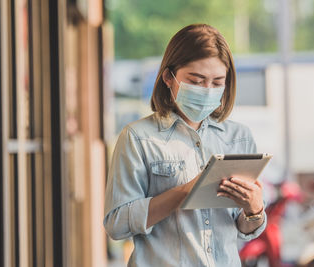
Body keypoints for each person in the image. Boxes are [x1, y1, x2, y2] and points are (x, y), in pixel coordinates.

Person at [104, 24, 266, 267]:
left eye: (217, 82)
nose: (207, 90)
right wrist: (187, 190)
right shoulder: (137, 138)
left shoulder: (239, 137)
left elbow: (244, 230)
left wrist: (255, 210)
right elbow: (116, 224)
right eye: (197, 81)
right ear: (169, 77)